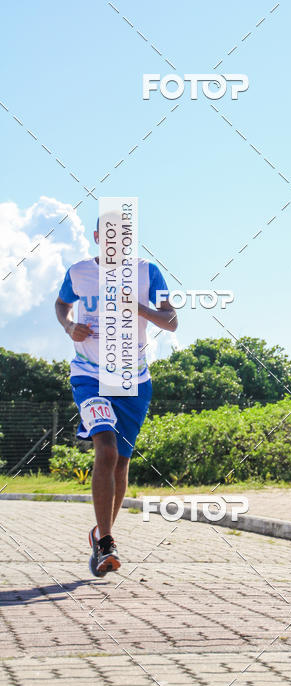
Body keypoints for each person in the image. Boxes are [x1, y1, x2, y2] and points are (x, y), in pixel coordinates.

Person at [55, 218, 177, 577]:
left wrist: (139, 309)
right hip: (89, 375)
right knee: (104, 448)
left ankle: (100, 534)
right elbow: (61, 305)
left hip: (133, 379)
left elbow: (171, 320)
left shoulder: (147, 273)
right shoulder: (78, 273)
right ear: (96, 237)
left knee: (121, 462)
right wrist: (68, 326)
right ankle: (107, 542)